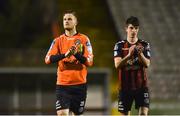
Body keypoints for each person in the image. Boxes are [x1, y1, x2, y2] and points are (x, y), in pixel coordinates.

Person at [45, 10, 93, 115]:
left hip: (80, 85)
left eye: (70, 19)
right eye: (64, 19)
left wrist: (76, 54)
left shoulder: (84, 39)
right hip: (63, 85)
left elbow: (89, 62)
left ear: (76, 22)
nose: (66, 21)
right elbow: (47, 59)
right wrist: (64, 55)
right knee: (62, 114)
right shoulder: (57, 41)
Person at [113, 16, 151, 115]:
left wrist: (140, 54)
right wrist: (129, 56)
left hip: (141, 86)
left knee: (143, 114)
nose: (133, 30)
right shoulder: (120, 45)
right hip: (125, 87)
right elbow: (117, 65)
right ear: (126, 29)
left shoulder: (144, 45)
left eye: (136, 28)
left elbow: (147, 64)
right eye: (131, 28)